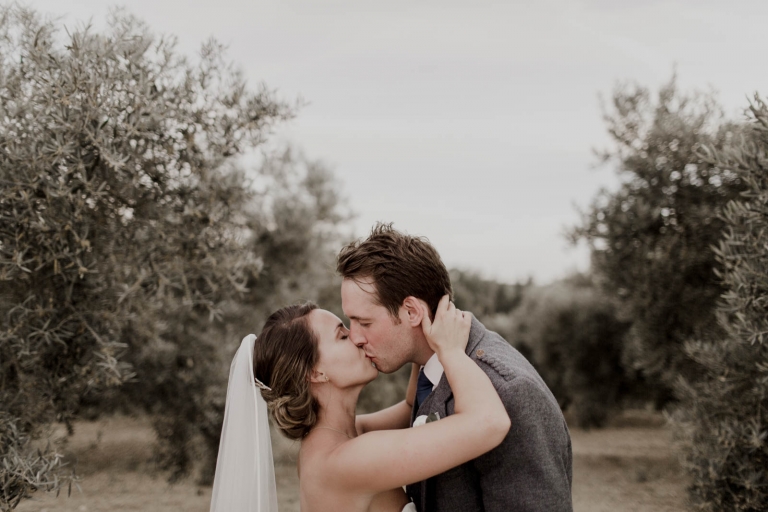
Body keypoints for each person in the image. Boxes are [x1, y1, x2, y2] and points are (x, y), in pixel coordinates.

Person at [337, 223, 573, 512]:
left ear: (412, 312)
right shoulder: (430, 366)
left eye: (364, 322)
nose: (356, 337)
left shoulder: (508, 391)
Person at [209, 295, 511, 512]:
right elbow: (490, 422)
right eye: (342, 335)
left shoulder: (340, 437)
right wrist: (451, 350)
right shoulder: (348, 460)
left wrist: (417, 337)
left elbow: (411, 407)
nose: (357, 337)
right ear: (315, 372)